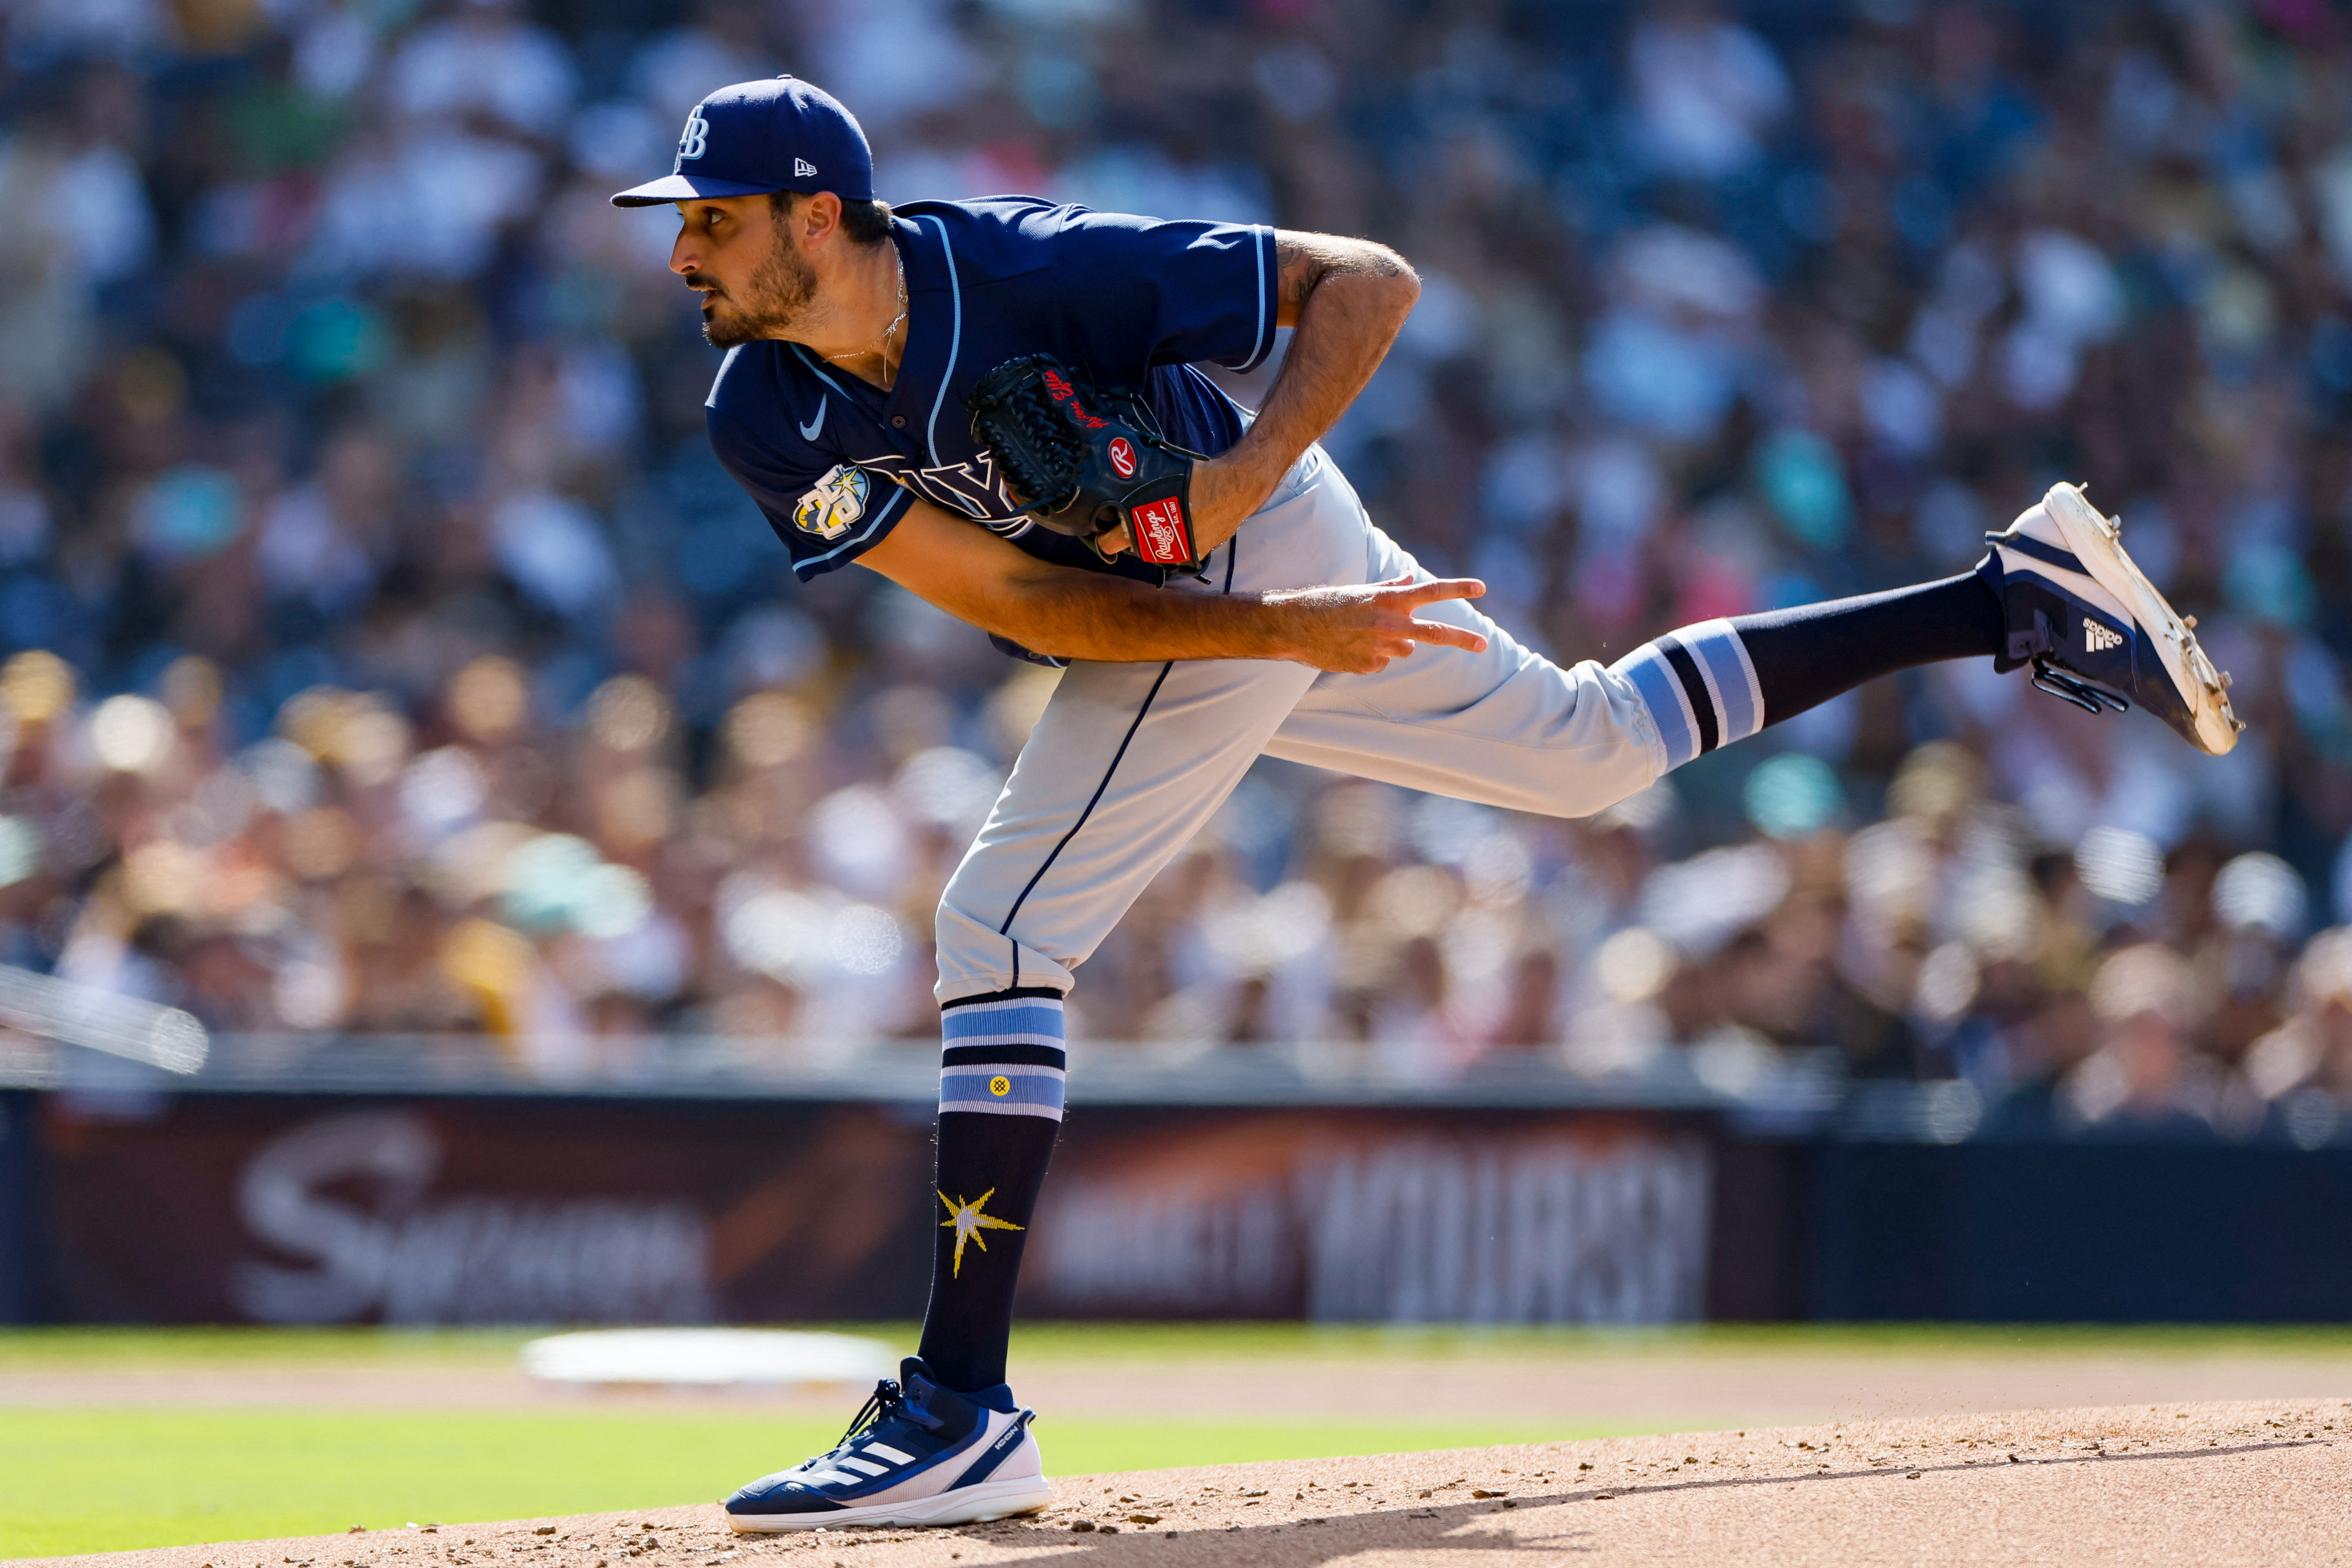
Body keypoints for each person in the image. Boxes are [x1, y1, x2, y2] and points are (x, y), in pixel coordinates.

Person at [610, 75, 2242, 1534]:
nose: (684, 254)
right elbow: (1036, 613)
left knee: (1001, 924)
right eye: (684, 224)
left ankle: (962, 1407)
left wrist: (1237, 495)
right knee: (1590, 750)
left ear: (817, 217)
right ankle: (2007, 598)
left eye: (714, 221)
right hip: (1219, 601)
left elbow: (1364, 287)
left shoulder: (1029, 272)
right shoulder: (765, 405)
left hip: (1256, 531)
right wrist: (1277, 632)